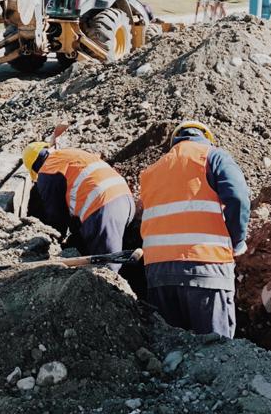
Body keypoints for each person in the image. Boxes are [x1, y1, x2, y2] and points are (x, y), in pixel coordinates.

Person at [139, 121, 250, 338]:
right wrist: (237, 241)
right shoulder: (213, 156)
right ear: (206, 138)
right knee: (217, 352)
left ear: (174, 142)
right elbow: (237, 197)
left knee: (173, 352)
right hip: (206, 267)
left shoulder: (150, 172)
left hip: (158, 273)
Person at [23, 142, 134, 270]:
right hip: (125, 199)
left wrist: (55, 240)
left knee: (106, 267)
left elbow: (56, 215)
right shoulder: (70, 153)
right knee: (115, 253)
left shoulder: (48, 170)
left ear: (35, 167)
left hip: (102, 207)